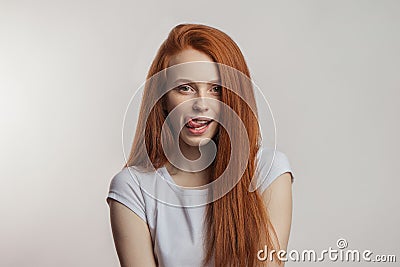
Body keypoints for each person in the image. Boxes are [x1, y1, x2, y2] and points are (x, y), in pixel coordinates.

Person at [106, 23, 295, 267]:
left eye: (216, 89)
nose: (201, 104)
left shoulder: (268, 171)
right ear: (162, 98)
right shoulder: (133, 188)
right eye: (185, 88)